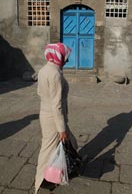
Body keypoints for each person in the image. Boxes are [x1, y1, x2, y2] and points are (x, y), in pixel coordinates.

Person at [34, 42, 78, 194]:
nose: (67, 59)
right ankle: (41, 181)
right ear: (59, 55)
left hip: (47, 114)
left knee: (71, 142)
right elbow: (56, 104)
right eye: (66, 56)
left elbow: (40, 93)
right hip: (53, 118)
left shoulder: (45, 70)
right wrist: (61, 129)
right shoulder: (55, 74)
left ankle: (69, 166)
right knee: (47, 150)